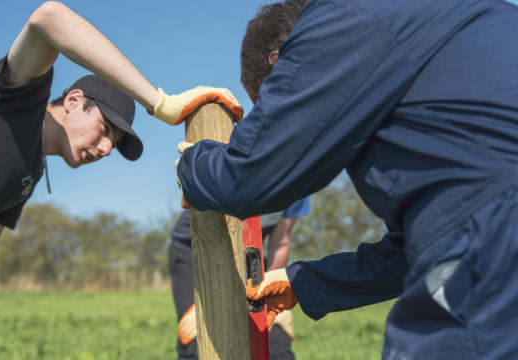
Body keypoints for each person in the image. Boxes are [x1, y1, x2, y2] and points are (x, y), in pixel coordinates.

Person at [0, 2, 243, 359]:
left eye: (113, 145)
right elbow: (49, 18)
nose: (104, 149)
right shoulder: (15, 98)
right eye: (104, 130)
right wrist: (160, 102)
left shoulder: (28, 172)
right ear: (72, 100)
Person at [174, 0, 518, 358]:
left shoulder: (338, 18)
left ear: (281, 65)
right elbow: (412, 249)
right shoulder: (443, 29)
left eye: (269, 109)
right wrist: (303, 281)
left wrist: (191, 166)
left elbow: (251, 175)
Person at [169, 198, 310, 360]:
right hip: (196, 248)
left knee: (275, 342)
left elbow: (279, 243)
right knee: (197, 338)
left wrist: (274, 283)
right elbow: (216, 230)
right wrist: (209, 304)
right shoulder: (233, 174)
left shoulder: (300, 187)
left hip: (248, 253)